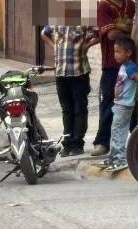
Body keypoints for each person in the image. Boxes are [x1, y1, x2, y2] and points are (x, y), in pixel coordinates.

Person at [91, 0, 136, 156]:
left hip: (131, 63)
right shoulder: (104, 6)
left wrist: (127, 32)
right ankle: (103, 142)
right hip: (111, 64)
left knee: (133, 102)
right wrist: (130, 32)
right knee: (109, 102)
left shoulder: (131, 5)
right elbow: (111, 35)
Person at [41, 23, 99, 157]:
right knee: (67, 110)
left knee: (80, 109)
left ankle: (78, 144)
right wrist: (54, 46)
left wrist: (87, 45)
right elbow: (44, 34)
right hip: (61, 72)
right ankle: (67, 144)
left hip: (79, 72)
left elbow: (99, 34)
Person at [96, 36, 138, 172]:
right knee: (115, 131)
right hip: (119, 105)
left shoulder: (130, 67)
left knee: (119, 132)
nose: (115, 55)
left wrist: (136, 96)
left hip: (124, 105)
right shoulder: (123, 66)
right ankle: (113, 157)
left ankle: (121, 159)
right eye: (114, 51)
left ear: (128, 53)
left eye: (118, 52)